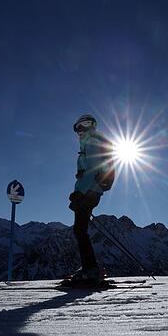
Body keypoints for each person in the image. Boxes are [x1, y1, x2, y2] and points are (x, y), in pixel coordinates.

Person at [67, 114, 112, 282]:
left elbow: (93, 169)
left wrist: (79, 193)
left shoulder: (92, 141)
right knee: (80, 230)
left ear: (90, 126)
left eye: (81, 126)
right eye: (76, 128)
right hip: (92, 191)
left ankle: (91, 270)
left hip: (89, 192)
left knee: (79, 230)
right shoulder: (90, 143)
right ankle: (89, 267)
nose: (78, 131)